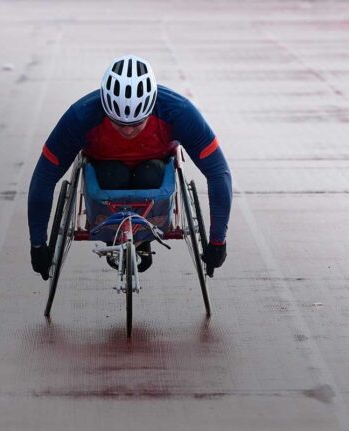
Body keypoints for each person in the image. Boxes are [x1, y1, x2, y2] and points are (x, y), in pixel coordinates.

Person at [28, 55, 231, 279]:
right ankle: (112, 232)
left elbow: (218, 172)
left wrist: (217, 241)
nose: (127, 131)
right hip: (106, 173)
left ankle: (143, 236)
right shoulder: (80, 116)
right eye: (119, 123)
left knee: (151, 172)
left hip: (153, 172)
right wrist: (38, 245)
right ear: (105, 109)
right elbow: (44, 177)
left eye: (136, 124)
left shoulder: (179, 112)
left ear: (151, 108)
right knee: (113, 174)